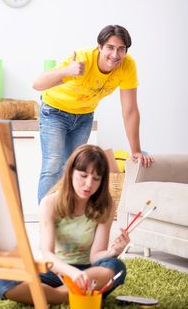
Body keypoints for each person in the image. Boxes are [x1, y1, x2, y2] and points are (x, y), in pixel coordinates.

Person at [0, 144, 130, 305]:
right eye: (83, 175)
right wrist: (71, 273)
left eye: (96, 179)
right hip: (56, 271)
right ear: (71, 172)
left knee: (117, 266)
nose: (88, 184)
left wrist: (113, 251)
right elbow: (47, 253)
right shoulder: (50, 203)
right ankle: (68, 296)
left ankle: (51, 296)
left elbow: (96, 256)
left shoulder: (105, 205)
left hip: (89, 272)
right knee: (3, 280)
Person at [33, 24, 153, 203]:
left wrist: (135, 151)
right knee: (53, 166)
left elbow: (130, 110)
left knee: (73, 168)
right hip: (55, 112)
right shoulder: (82, 60)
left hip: (83, 117)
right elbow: (37, 84)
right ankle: (46, 220)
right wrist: (67, 71)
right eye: (110, 48)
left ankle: (66, 218)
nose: (115, 55)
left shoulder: (127, 66)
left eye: (121, 49)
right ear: (100, 47)